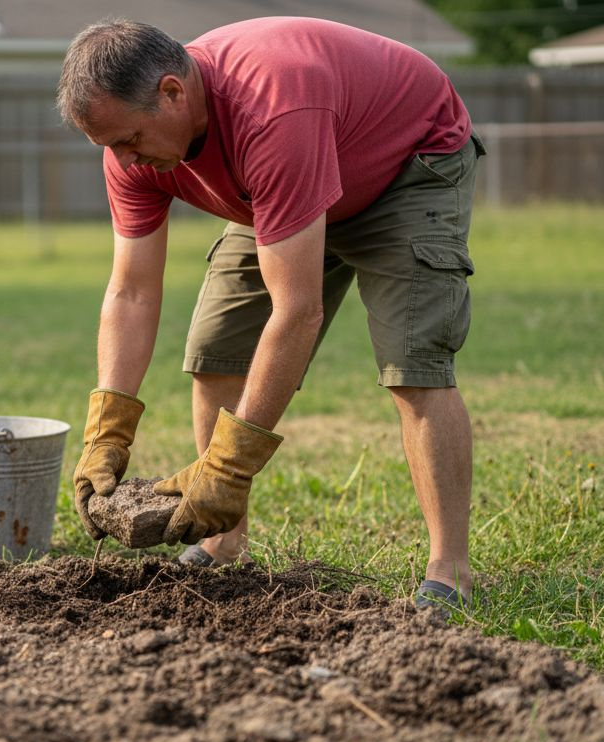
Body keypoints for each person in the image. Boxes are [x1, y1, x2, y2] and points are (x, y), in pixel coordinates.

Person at [58, 16, 481, 610]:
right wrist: (108, 429)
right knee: (217, 352)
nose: (125, 159)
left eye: (129, 139)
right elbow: (130, 290)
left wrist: (230, 466)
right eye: (110, 147)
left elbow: (297, 311)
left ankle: (450, 569)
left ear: (173, 93)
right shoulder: (130, 152)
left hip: (404, 166)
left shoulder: (271, 109)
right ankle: (225, 542)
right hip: (284, 185)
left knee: (414, 365)